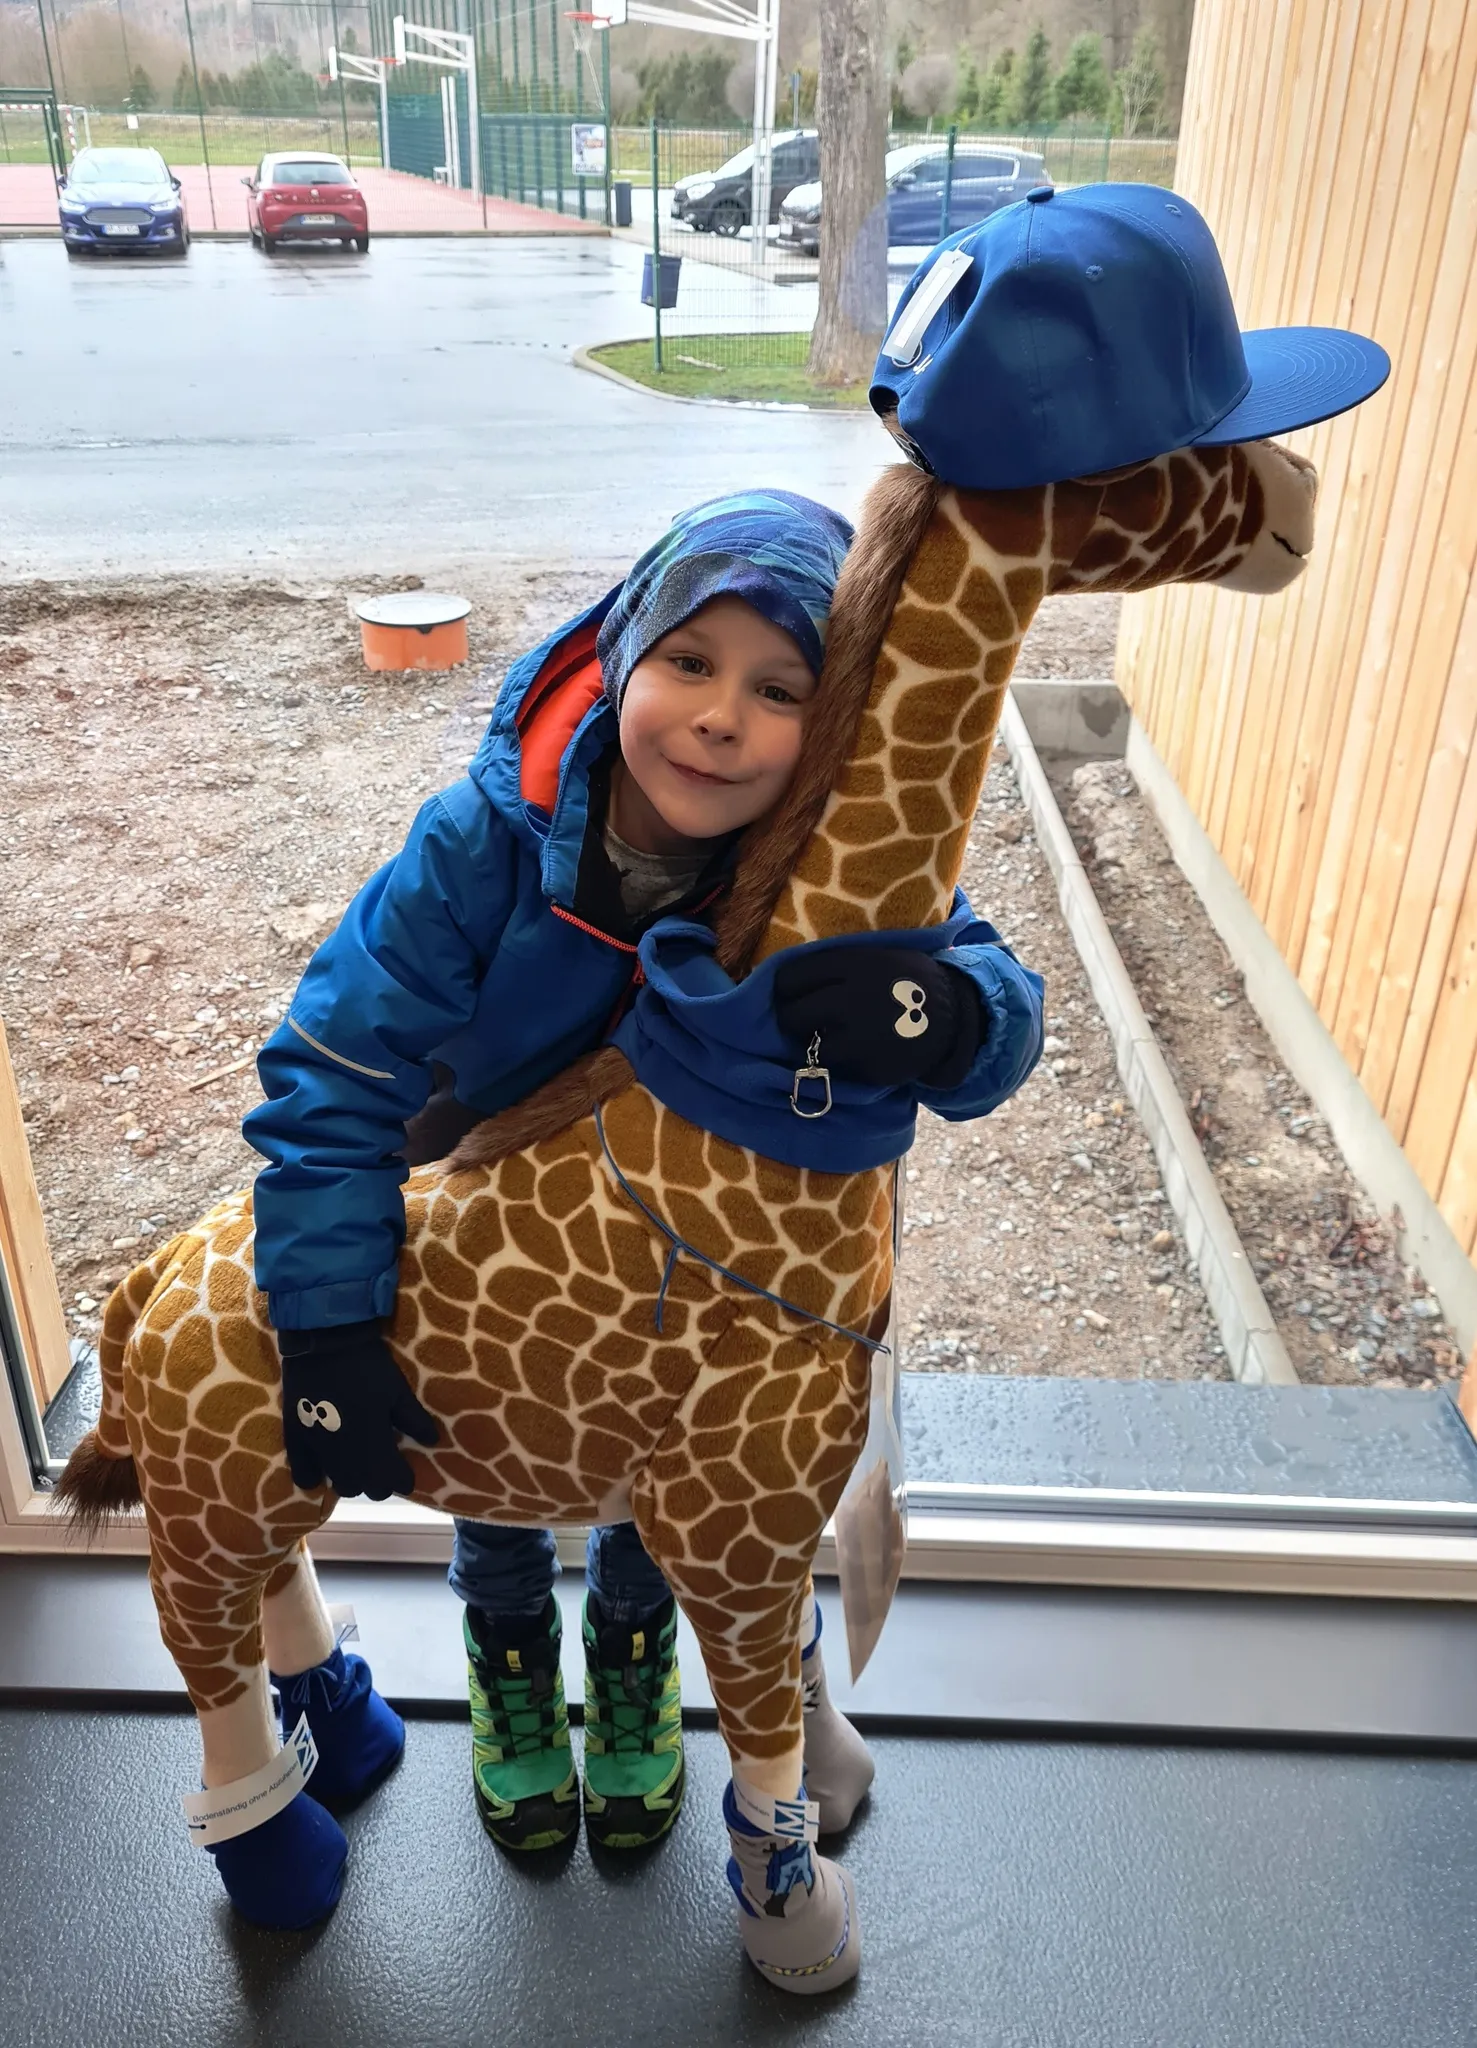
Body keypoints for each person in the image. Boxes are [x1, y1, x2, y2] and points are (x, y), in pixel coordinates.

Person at [243, 488, 1045, 1858]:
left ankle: (631, 1655)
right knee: (490, 1459)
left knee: (662, 1467)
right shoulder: (483, 839)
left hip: (683, 1256)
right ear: (623, 656)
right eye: (691, 661)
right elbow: (330, 1056)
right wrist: (322, 1318)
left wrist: (956, 1017)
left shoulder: (803, 852)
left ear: (832, 725)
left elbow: (989, 978)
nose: (723, 718)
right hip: (496, 1201)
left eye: (781, 689)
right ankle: (508, 1660)